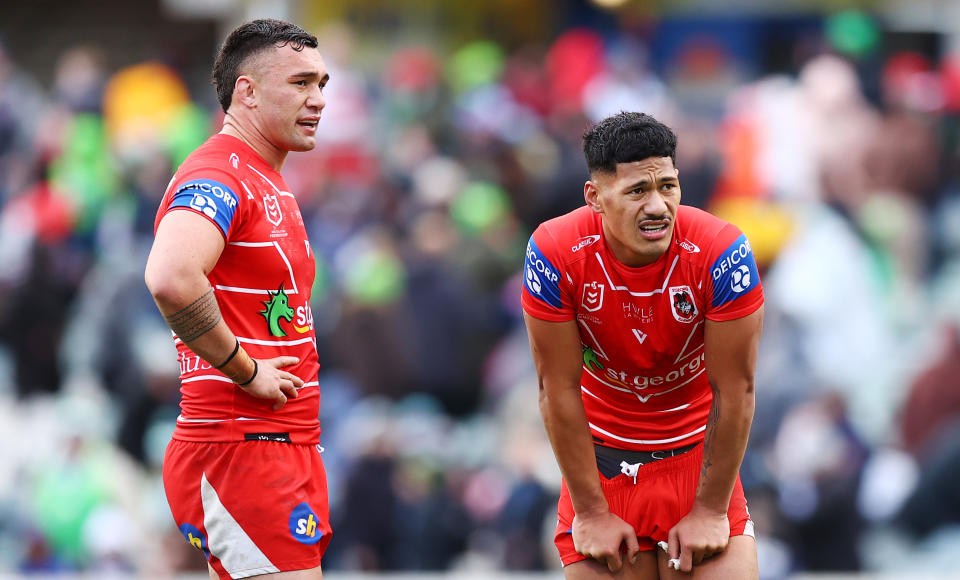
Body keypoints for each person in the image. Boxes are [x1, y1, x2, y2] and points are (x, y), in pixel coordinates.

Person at [521, 112, 763, 579]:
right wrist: (590, 512)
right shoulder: (554, 251)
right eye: (637, 191)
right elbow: (557, 389)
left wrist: (712, 509)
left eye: (667, 186)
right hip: (603, 470)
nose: (657, 206)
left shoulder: (722, 251)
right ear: (595, 196)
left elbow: (737, 391)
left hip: (700, 468)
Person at [144, 19, 331, 579]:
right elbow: (172, 276)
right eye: (300, 83)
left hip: (276, 443)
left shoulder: (265, 177)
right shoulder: (218, 172)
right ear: (246, 91)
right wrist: (244, 369)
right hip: (243, 444)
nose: (318, 100)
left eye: (322, 84)